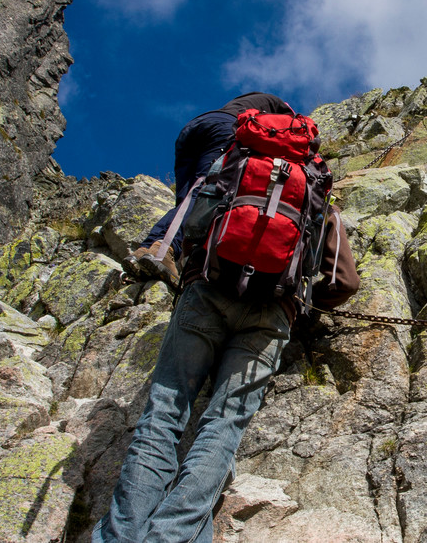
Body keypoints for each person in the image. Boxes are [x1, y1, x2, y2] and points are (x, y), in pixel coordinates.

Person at [95, 181, 360, 542]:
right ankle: (172, 536)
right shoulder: (317, 195)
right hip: (271, 312)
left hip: (206, 291)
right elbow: (345, 281)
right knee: (223, 425)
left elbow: (189, 230)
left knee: (163, 415)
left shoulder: (231, 170)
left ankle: (122, 534)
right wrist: (301, 303)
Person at [125, 91, 297, 286]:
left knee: (187, 198)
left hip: (197, 126)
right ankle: (162, 251)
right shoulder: (282, 109)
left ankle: (147, 250)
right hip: (226, 129)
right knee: (203, 194)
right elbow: (287, 130)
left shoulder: (251, 98)